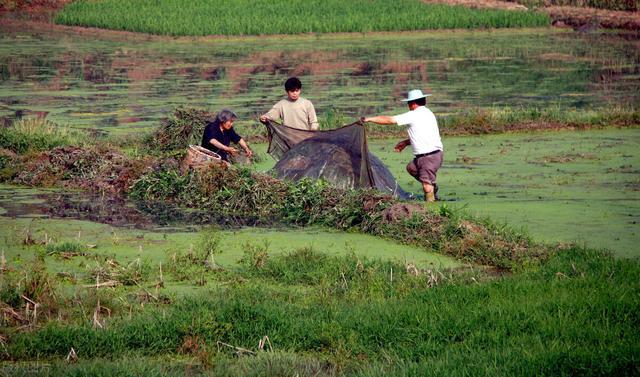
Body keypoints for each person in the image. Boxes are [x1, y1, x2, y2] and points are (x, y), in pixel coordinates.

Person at [363, 89, 443, 202]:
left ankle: (431, 209)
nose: (408, 105)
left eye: (408, 103)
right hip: (433, 155)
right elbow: (423, 135)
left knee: (426, 187)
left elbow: (390, 120)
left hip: (428, 157)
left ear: (413, 103)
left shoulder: (414, 115)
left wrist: (369, 119)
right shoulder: (428, 113)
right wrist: (406, 142)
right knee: (412, 168)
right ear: (423, 100)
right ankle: (431, 184)